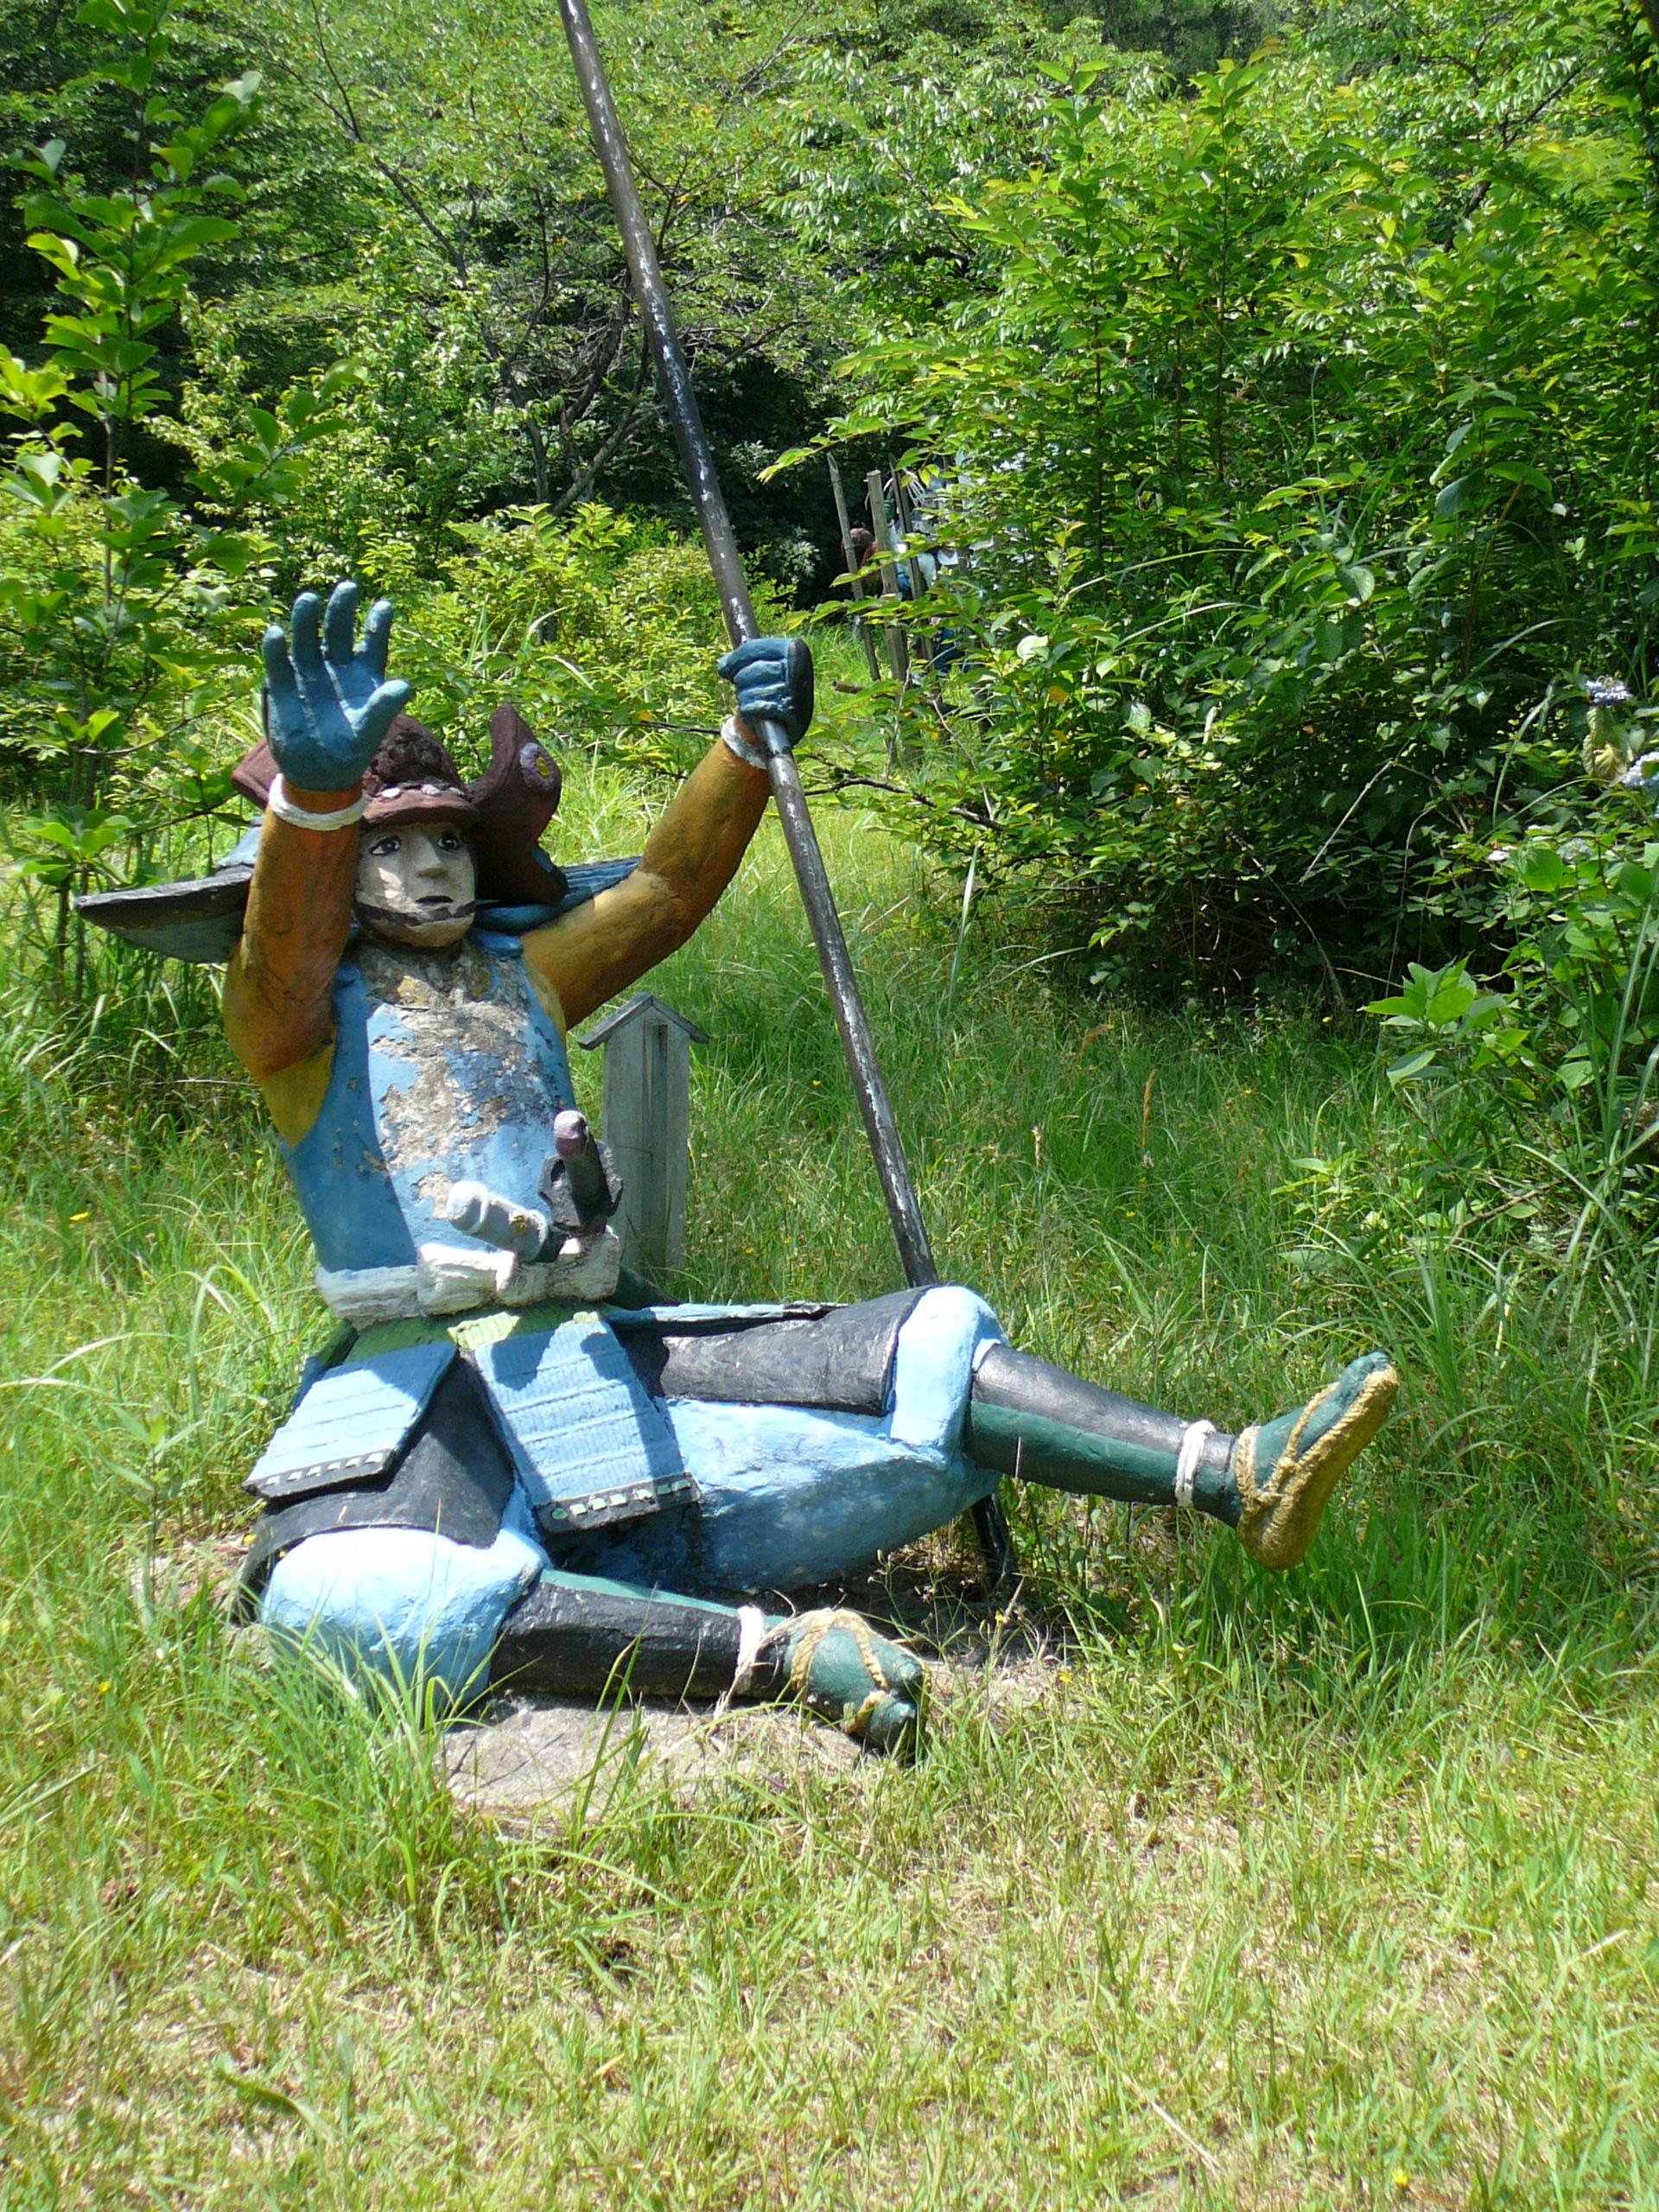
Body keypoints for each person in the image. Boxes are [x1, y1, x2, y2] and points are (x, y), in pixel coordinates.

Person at [220, 582, 1399, 1753]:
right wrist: (316, 803)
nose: (431, 867)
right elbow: (287, 954)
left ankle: (1233, 1473)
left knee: (928, 1346)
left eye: (447, 838)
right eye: (389, 844)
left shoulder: (523, 979)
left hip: (591, 1338)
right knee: (368, 1599)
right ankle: (780, 1657)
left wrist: (745, 744)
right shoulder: (295, 1032)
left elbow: (664, 892)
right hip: (421, 1382)